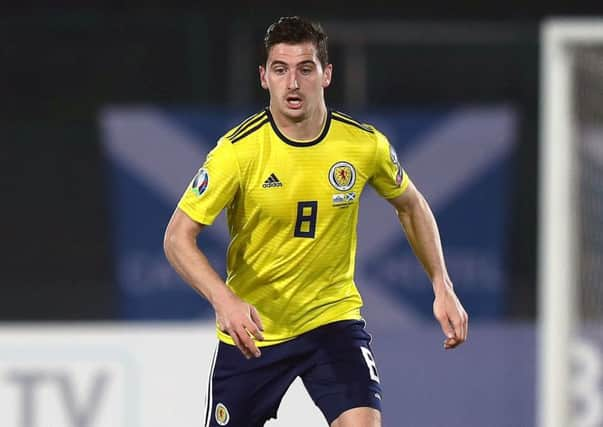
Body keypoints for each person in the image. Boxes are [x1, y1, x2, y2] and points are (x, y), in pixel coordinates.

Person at [163, 15, 468, 427]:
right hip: (256, 332)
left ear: (326, 74)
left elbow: (411, 205)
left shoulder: (363, 146)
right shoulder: (237, 153)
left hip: (332, 321)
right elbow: (177, 238)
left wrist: (441, 284)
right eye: (280, 69)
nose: (293, 83)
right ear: (263, 77)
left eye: (305, 69)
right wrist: (225, 300)